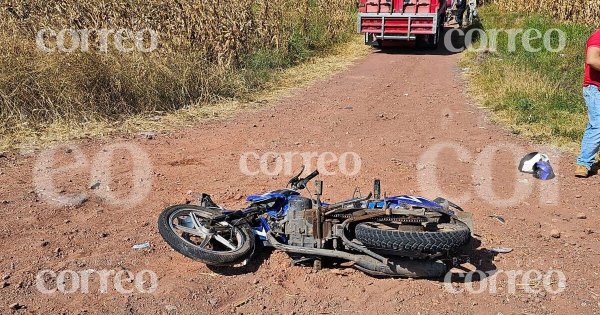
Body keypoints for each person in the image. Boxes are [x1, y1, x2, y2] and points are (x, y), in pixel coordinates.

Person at [575, 29, 600, 177]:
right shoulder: (598, 36)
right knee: (597, 124)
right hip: (595, 88)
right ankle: (583, 162)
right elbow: (592, 59)